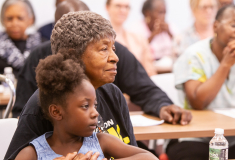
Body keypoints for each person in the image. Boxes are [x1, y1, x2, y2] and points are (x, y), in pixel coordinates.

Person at [5, 2, 192, 160]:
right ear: (73, 56)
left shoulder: (112, 93)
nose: (114, 57)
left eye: (114, 49)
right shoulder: (44, 104)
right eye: (104, 49)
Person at [15, 52, 158, 160]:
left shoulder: (102, 142)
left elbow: (150, 158)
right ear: (56, 112)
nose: (95, 113)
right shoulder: (33, 153)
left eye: (94, 105)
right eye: (85, 106)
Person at [169, 5, 235, 160]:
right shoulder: (195, 55)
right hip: (195, 137)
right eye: (234, 25)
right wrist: (226, 65)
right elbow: (197, 101)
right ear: (216, 26)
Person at [106, 0, 156, 76]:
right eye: (118, 6)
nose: (123, 10)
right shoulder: (99, 40)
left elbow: (150, 72)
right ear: (107, 7)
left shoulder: (139, 39)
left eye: (126, 7)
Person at [129, 0, 175, 73]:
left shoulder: (170, 27)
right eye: (160, 12)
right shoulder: (136, 29)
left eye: (165, 12)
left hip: (170, 69)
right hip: (148, 70)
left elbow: (180, 47)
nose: (163, 16)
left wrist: (169, 33)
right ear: (148, 13)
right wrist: (153, 35)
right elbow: (137, 52)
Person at [0, 0, 41, 77]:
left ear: (30, 20)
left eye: (20, 18)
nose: (15, 23)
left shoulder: (40, 47)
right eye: (9, 18)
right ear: (2, 20)